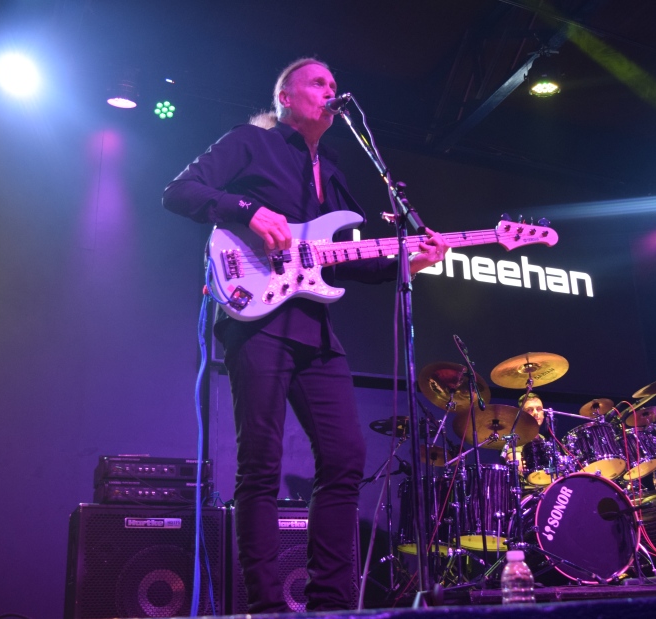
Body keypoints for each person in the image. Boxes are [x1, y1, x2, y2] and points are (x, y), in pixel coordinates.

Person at [162, 58, 448, 613]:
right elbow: (179, 191)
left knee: (345, 457)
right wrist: (247, 210)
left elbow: (343, 258)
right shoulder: (250, 142)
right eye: (318, 83)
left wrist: (410, 262)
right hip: (257, 319)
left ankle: (330, 603)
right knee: (261, 464)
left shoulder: (332, 170)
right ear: (286, 97)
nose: (330, 91)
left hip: (314, 329)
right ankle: (266, 607)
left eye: (334, 85)